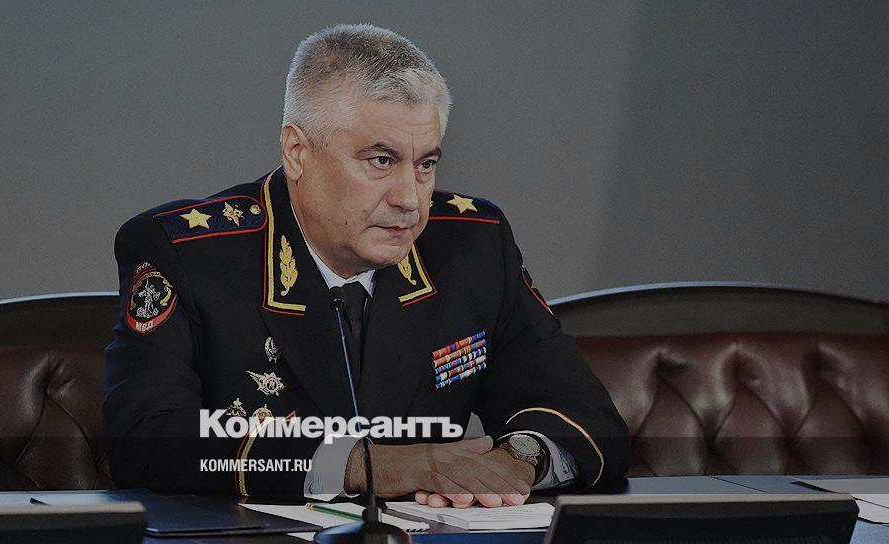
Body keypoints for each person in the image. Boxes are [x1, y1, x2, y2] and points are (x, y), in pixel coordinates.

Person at [104, 23, 630, 508]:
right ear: (297, 152)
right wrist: (368, 466)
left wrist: (514, 462)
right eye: (381, 161)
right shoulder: (187, 252)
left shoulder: (472, 244)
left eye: (426, 164)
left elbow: (586, 416)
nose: (410, 199)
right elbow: (146, 439)